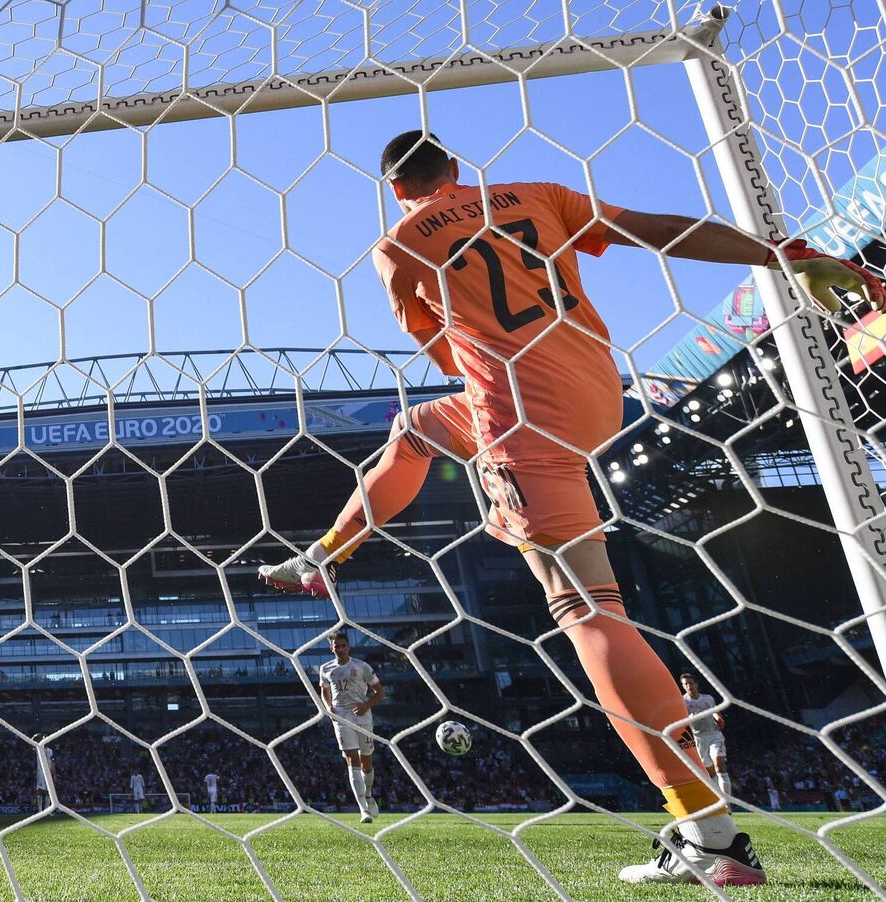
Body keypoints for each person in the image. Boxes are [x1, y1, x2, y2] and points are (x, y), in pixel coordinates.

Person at [261, 131, 883, 884]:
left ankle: (710, 838)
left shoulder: (396, 246)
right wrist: (780, 254)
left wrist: (495, 404)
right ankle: (324, 554)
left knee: (590, 615)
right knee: (415, 428)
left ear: (395, 190)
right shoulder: (542, 196)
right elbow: (660, 231)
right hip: (596, 396)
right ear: (456, 168)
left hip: (523, 423)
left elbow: (436, 340)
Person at [318, 629, 384, 824]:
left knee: (367, 762)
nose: (340, 649)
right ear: (331, 648)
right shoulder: (326, 668)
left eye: (343, 645)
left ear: (349, 646)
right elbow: (324, 690)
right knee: (351, 759)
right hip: (342, 718)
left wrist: (366, 705)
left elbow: (380, 692)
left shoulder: (361, 667)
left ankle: (369, 794)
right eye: (336, 646)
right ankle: (363, 809)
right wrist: (328, 707)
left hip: (363, 718)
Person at [680, 673, 731, 796]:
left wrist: (719, 718)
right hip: (698, 739)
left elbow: (715, 712)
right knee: (710, 772)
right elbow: (682, 721)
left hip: (714, 735)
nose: (689, 686)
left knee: (720, 766)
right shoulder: (683, 702)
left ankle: (727, 804)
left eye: (691, 683)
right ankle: (719, 799)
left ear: (696, 684)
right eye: (685, 684)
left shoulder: (708, 698)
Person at [33, 733, 55, 812]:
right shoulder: (39, 748)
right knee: (39, 790)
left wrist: (54, 774)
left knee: (49, 791)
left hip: (48, 772)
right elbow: (32, 746)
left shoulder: (50, 751)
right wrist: (34, 738)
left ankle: (46, 810)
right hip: (41, 772)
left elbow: (52, 763)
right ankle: (39, 810)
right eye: (44, 738)